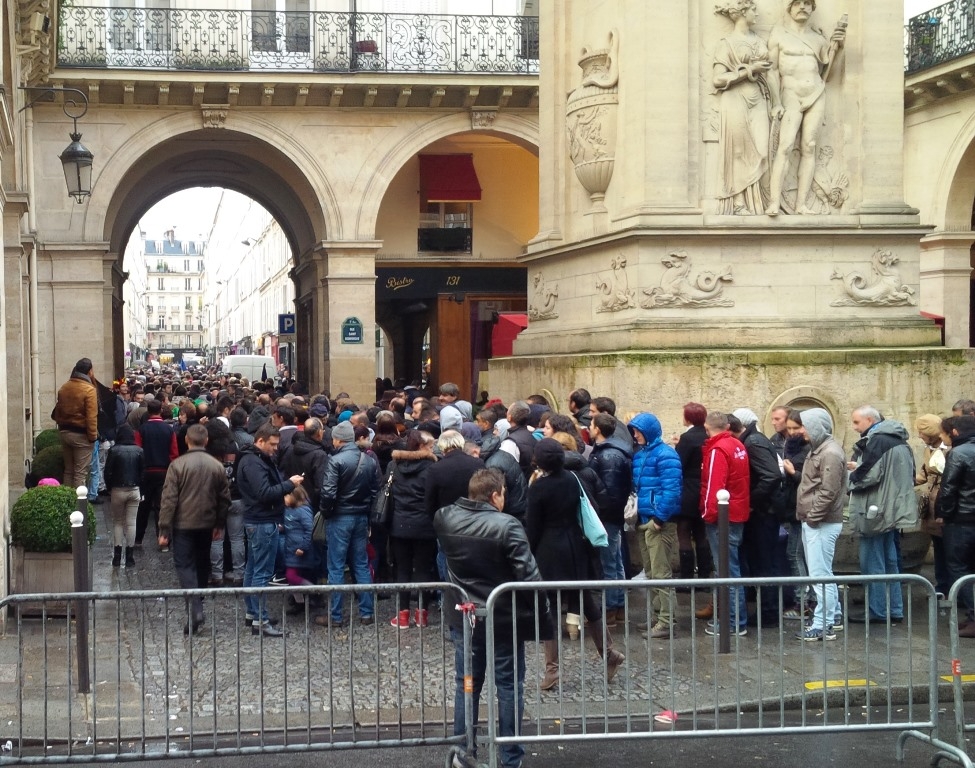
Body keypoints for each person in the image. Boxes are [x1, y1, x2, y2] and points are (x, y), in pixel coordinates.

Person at [434, 468, 550, 768]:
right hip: (503, 619)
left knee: (467, 683)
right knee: (508, 686)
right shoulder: (507, 524)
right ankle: (510, 758)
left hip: (465, 617)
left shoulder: (444, 517)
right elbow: (529, 576)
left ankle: (462, 752)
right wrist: (543, 616)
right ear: (495, 494)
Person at [526, 438, 624, 691]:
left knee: (548, 608)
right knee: (585, 601)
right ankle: (610, 653)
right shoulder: (572, 478)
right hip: (575, 546)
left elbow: (533, 527)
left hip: (549, 550)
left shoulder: (539, 488)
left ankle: (552, 671)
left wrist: (528, 553)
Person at [765, 0, 846, 215]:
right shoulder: (779, 35)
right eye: (798, 3)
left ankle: (801, 204)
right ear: (789, 8)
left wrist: (836, 48)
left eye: (807, 4)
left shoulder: (818, 39)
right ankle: (774, 201)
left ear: (812, 9)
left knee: (809, 146)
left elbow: (827, 73)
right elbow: (772, 71)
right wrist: (776, 102)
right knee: (785, 146)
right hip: (790, 94)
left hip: (816, 93)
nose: (803, 7)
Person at [157, 424, 232, 636]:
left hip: (184, 524)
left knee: (184, 565)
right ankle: (197, 603)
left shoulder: (177, 465)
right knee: (201, 564)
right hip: (206, 523)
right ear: (206, 440)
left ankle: (196, 607)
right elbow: (224, 499)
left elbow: (169, 499)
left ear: (187, 441)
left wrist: (164, 528)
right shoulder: (216, 466)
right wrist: (219, 523)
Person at [847, 406, 916, 624]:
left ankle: (878, 610)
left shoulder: (877, 440)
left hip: (875, 510)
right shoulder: (900, 441)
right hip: (892, 509)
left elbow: (866, 476)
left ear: (869, 420)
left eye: (857, 422)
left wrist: (850, 474)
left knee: (873, 562)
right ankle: (894, 609)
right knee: (890, 561)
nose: (854, 427)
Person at [237, 422, 303, 637]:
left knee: (253, 568)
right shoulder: (253, 463)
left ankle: (253, 613)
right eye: (272, 445)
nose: (276, 449)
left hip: (259, 519)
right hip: (262, 521)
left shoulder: (254, 459)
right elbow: (264, 492)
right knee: (261, 572)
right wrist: (289, 485)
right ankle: (260, 620)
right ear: (260, 441)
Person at [712, 0, 776, 215]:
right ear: (741, 12)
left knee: (762, 149)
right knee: (738, 150)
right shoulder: (727, 43)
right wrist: (749, 70)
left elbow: (771, 75)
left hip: (758, 98)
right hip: (734, 99)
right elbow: (718, 79)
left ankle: (760, 202)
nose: (757, 12)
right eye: (753, 9)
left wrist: (777, 104)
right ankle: (740, 203)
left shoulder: (759, 42)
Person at [316, 420, 380, 628]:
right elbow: (374, 492)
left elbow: (328, 493)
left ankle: (335, 616)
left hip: (339, 517)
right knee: (360, 564)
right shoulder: (368, 460)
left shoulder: (335, 461)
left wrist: (326, 513)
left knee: (335, 566)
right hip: (360, 517)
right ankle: (366, 612)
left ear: (337, 439)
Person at [628, 413, 682, 638]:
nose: (635, 434)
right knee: (652, 573)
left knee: (660, 574)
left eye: (638, 430)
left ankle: (666, 621)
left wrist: (659, 520)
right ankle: (659, 617)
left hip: (657, 522)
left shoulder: (665, 454)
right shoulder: (645, 454)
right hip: (647, 521)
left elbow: (672, 490)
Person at [794, 408, 846, 642]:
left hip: (821, 521)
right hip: (817, 520)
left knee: (819, 573)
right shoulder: (823, 450)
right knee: (822, 571)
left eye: (805, 425)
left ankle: (823, 624)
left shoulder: (830, 453)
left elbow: (829, 490)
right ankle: (832, 616)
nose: (802, 430)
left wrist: (813, 517)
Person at [700, 411, 751, 635]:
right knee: (732, 569)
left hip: (723, 517)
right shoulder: (737, 445)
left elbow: (714, 487)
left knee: (726, 572)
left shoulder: (717, 450)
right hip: (737, 513)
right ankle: (735, 620)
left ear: (707, 427)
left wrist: (707, 515)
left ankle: (732, 623)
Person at [387, 430, 439, 628]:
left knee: (403, 569)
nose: (433, 449)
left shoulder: (394, 466)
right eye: (430, 446)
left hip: (399, 524)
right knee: (424, 569)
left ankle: (402, 615)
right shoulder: (432, 468)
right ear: (420, 446)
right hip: (425, 525)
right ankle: (421, 615)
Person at [588, 412, 632, 627]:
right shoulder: (610, 452)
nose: (589, 427)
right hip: (610, 516)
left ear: (597, 430)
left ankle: (612, 608)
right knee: (614, 562)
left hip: (607, 517)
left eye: (592, 424)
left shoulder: (608, 456)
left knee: (610, 563)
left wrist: (600, 512)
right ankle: (617, 606)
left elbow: (610, 492)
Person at [936, 415, 975, 637]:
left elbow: (949, 489)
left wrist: (944, 514)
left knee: (959, 568)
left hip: (961, 521)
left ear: (955, 433)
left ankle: (973, 616)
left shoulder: (958, 453)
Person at [673, 403, 713, 591]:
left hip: (688, 489)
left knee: (684, 532)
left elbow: (679, 464)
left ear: (688, 417)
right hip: (705, 488)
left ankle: (686, 579)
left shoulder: (687, 438)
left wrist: (676, 446)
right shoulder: (707, 436)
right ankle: (705, 577)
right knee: (701, 533)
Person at [134, 398, 179, 550]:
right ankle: (164, 540)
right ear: (160, 410)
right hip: (164, 472)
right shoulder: (169, 430)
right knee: (162, 507)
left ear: (148, 411)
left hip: (146, 472)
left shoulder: (142, 429)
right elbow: (174, 453)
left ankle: (138, 539)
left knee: (143, 507)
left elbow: (138, 451)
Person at [915, 413, 950, 598]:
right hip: (932, 502)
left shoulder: (950, 449)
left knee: (948, 546)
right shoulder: (929, 449)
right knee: (938, 544)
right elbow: (923, 474)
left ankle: (951, 587)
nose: (919, 436)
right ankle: (941, 585)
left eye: (921, 432)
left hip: (944, 502)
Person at [52, 357, 99, 490]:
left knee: (69, 471)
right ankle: (79, 507)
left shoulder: (64, 387)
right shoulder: (89, 390)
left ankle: (67, 502)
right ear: (90, 371)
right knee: (80, 473)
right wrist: (93, 437)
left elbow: (58, 411)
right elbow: (91, 417)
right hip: (81, 434)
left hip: (65, 432)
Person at [103, 424, 144, 568]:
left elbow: (107, 472)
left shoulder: (114, 451)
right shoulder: (139, 451)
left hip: (117, 489)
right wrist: (142, 491)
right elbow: (142, 473)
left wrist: (109, 488)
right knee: (132, 522)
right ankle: (130, 557)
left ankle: (117, 556)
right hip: (134, 489)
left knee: (118, 522)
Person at [282, 484, 316, 612]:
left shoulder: (303, 510)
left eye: (286, 495)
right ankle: (300, 603)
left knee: (291, 576)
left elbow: (309, 529)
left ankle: (313, 590)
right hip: (291, 549)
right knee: (292, 578)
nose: (284, 498)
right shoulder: (288, 510)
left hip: (300, 550)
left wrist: (303, 547)